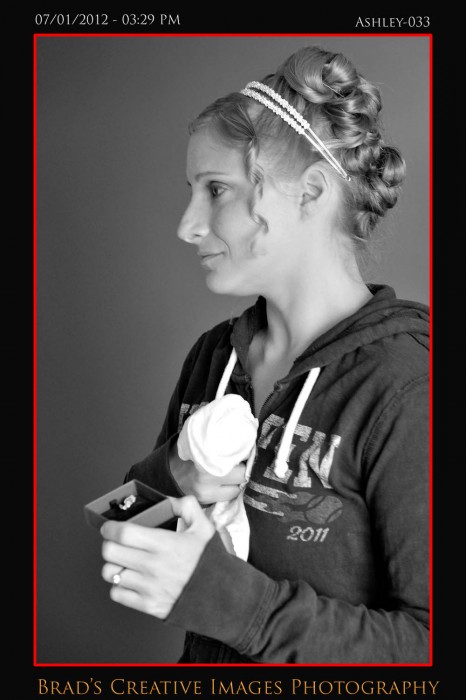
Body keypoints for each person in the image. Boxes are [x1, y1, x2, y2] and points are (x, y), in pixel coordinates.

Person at [99, 45, 429, 663]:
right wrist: (175, 474)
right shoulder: (214, 358)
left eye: (216, 189)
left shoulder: (409, 386)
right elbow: (121, 525)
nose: (187, 226)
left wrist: (235, 605)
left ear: (309, 192)